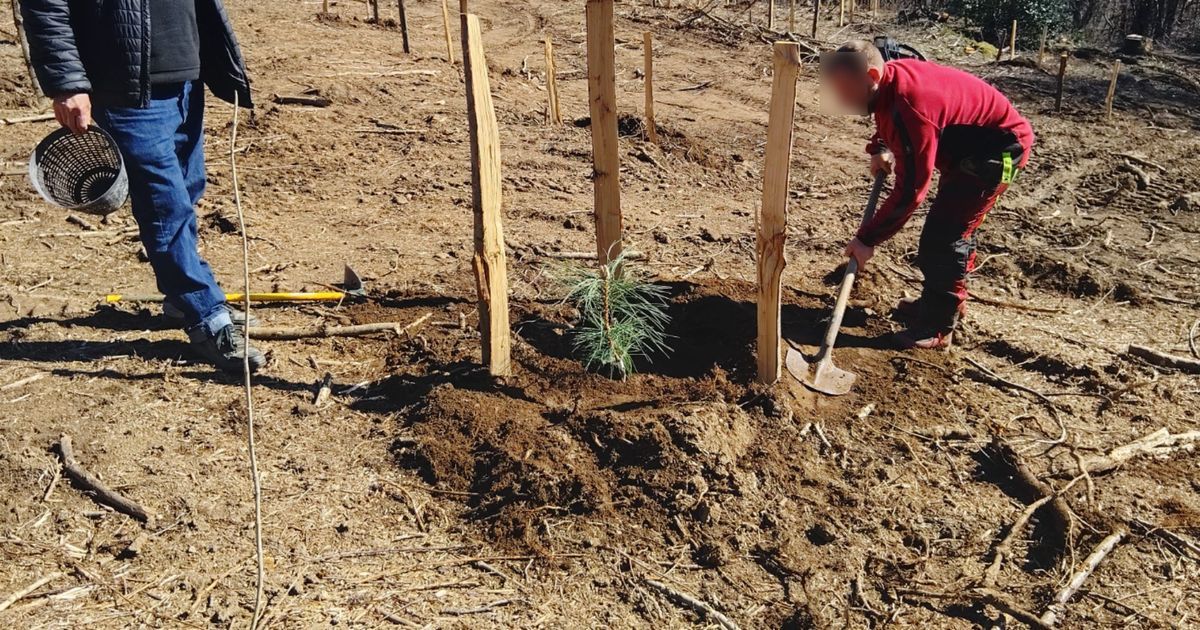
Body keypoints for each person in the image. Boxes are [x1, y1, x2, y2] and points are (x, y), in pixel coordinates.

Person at [21, 0, 266, 372]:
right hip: (126, 87)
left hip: (186, 76)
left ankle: (181, 298)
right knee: (165, 206)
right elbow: (46, 6)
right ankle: (206, 315)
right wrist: (67, 83)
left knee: (187, 189)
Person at [821, 40, 1035, 349]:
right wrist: (880, 146)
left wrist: (868, 239)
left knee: (945, 236)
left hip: (998, 151)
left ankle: (938, 326)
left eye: (846, 89)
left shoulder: (911, 105)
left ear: (871, 76)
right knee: (948, 231)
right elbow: (887, 113)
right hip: (966, 147)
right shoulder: (888, 82)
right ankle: (940, 303)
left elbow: (911, 191)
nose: (841, 99)